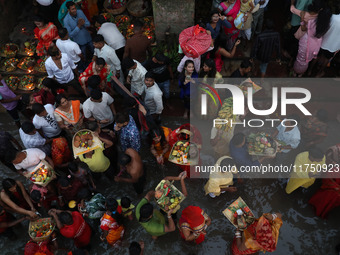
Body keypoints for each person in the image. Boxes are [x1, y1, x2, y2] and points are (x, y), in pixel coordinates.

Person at [291, 0, 332, 76]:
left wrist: (302, 20)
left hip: (306, 42)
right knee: (306, 60)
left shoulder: (310, 19)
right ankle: (301, 74)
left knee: (300, 59)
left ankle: (296, 72)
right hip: (316, 45)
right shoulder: (325, 23)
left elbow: (303, 28)